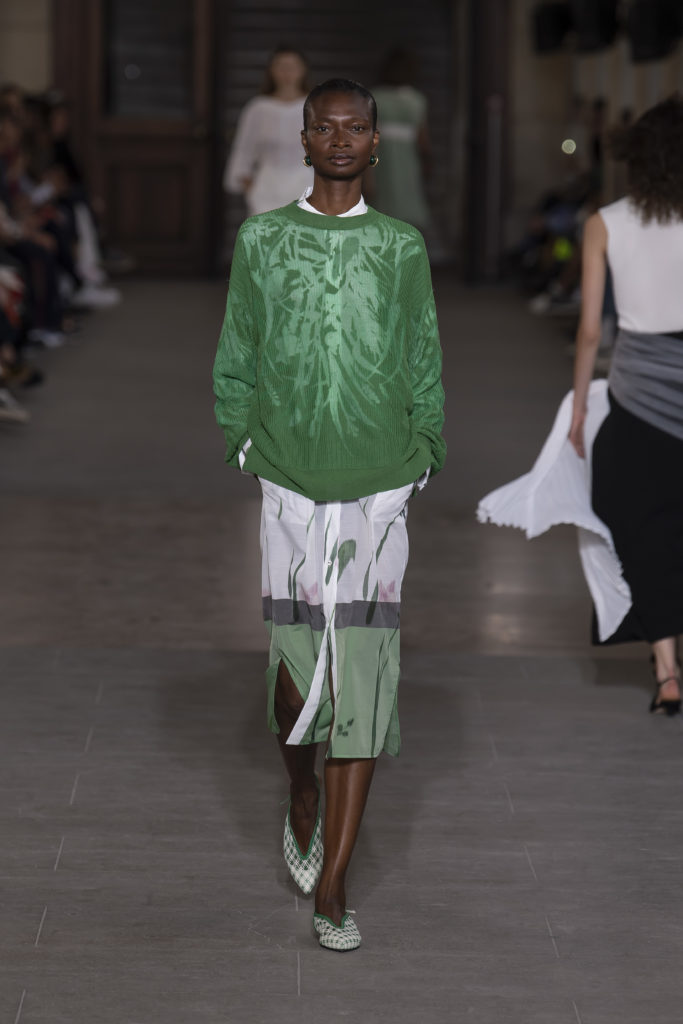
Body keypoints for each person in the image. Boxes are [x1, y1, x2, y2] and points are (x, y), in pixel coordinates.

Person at [213, 78, 446, 950]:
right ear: (303, 140)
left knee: (363, 681)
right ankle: (300, 783)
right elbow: (237, 350)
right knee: (295, 680)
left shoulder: (400, 246)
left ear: (376, 142)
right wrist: (244, 443)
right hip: (287, 481)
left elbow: (422, 353)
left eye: (356, 127)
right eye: (325, 127)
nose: (341, 138)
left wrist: (423, 451)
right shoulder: (263, 239)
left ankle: (334, 886)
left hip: (380, 488)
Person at [569, 96, 683, 715]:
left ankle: (667, 669)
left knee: (643, 526)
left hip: (637, 395)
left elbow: (592, 330)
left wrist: (581, 409)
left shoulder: (606, 221)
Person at [222, 46, 313, 215]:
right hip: (267, 188)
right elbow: (244, 148)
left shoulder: (315, 106)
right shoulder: (258, 108)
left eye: (292, 67)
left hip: (306, 186)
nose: (287, 73)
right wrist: (249, 186)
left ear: (303, 70)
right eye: (281, 67)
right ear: (271, 71)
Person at [368, 48, 432, 230]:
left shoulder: (413, 99)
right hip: (393, 159)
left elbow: (422, 135)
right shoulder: (412, 99)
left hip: (399, 159)